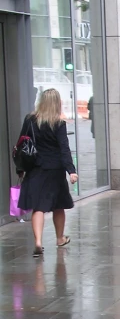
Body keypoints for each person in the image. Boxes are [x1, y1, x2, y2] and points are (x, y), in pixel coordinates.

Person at [17, 88, 78, 257]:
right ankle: (59, 238)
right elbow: (64, 149)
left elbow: (22, 144)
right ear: (57, 103)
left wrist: (20, 168)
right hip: (55, 170)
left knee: (38, 207)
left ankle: (38, 241)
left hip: (35, 168)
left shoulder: (30, 120)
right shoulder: (58, 123)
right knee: (58, 205)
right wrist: (71, 171)